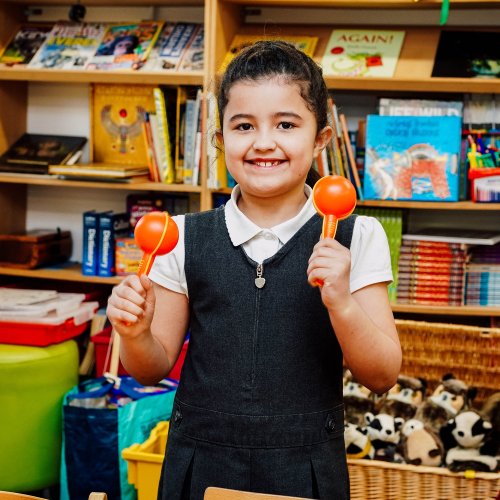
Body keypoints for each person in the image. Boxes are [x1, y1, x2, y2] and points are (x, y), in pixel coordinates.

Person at [106, 40, 401, 499]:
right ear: (221, 139)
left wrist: (341, 300)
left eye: (286, 124)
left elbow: (382, 375)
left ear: (321, 139)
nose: (264, 142)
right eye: (244, 126)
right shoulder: (181, 237)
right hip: (200, 465)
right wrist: (136, 332)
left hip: (305, 470)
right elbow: (148, 370)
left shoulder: (357, 236)